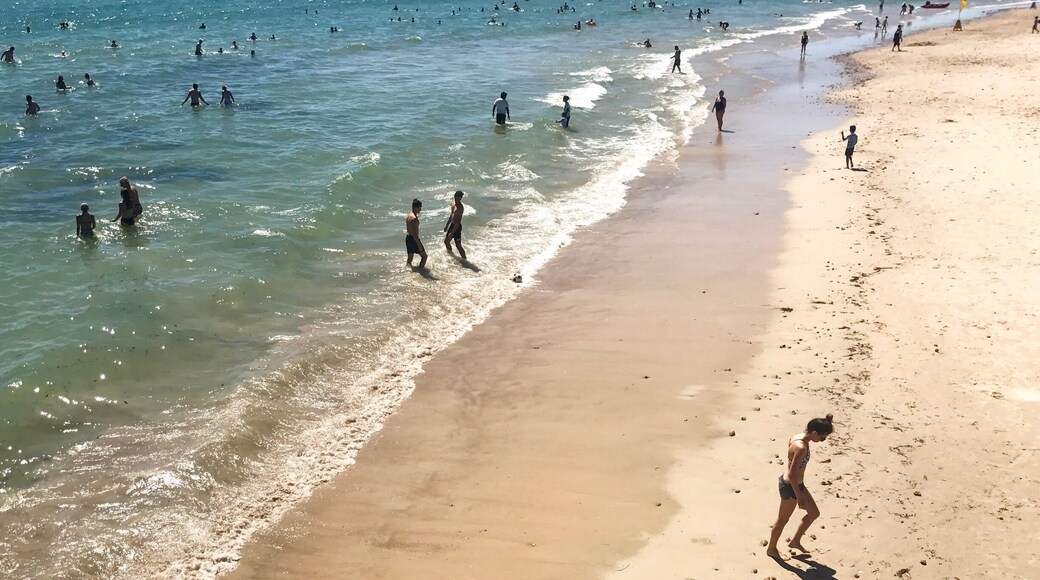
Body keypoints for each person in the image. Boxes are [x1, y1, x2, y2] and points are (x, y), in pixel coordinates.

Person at [765, 414, 834, 560]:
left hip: (797, 485)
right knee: (782, 520)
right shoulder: (801, 447)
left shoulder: (798, 436)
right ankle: (771, 549)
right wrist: (799, 496)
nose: (822, 441)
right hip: (791, 487)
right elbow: (791, 474)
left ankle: (795, 541)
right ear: (814, 433)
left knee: (814, 513)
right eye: (822, 438)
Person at [443, 190, 467, 259]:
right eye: (456, 198)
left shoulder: (460, 208)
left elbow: (458, 221)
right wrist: (447, 225)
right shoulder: (453, 205)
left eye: (459, 199)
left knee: (458, 245)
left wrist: (452, 232)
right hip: (452, 225)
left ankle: (465, 259)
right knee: (446, 241)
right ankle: (452, 255)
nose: (457, 200)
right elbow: (451, 216)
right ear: (454, 197)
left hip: (457, 227)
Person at [405, 198, 427, 269]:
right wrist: (418, 243)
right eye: (420, 207)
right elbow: (414, 234)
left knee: (409, 259)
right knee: (424, 256)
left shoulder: (409, 215)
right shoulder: (414, 218)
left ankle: (408, 272)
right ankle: (421, 271)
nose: (420, 209)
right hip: (414, 239)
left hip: (408, 238)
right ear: (415, 207)